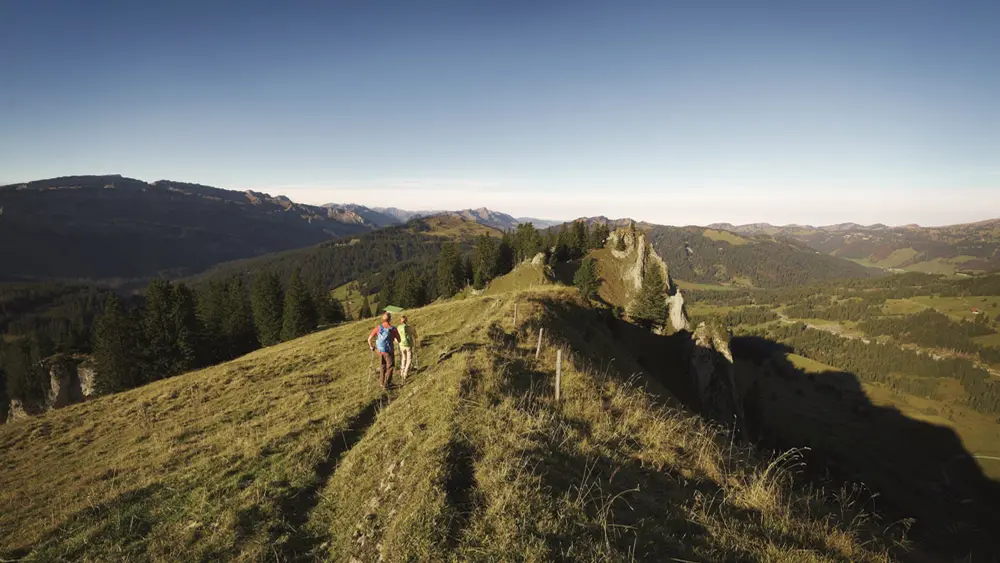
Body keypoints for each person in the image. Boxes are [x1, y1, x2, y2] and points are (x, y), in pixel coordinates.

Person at [367, 312, 400, 388]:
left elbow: (369, 339)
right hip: (389, 351)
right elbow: (399, 340)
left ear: (383, 319)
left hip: (380, 351)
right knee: (390, 366)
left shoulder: (378, 328)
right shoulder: (393, 328)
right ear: (390, 319)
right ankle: (387, 384)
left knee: (382, 366)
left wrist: (372, 347)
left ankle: (382, 383)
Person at [398, 315, 419, 380]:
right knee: (409, 359)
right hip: (408, 345)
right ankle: (405, 373)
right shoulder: (410, 327)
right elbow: (416, 336)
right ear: (406, 321)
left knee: (403, 358)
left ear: (401, 321)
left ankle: (402, 371)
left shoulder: (398, 327)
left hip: (401, 345)